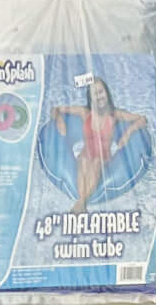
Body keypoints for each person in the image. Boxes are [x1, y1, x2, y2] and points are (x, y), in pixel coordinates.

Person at [48, 73, 149, 212]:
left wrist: (128, 132)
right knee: (84, 160)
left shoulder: (115, 115)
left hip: (103, 158)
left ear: (107, 93)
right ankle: (81, 203)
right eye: (95, 93)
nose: (99, 96)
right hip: (84, 155)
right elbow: (57, 108)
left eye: (101, 92)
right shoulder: (85, 113)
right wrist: (58, 118)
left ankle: (81, 203)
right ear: (91, 98)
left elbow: (142, 119)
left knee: (95, 162)